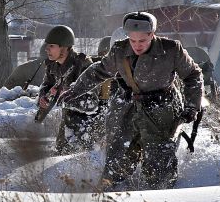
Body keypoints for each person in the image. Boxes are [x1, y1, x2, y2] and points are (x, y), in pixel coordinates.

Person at [60, 11, 204, 190]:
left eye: (142, 41)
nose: (137, 45)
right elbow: (100, 71)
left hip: (161, 110)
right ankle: (111, 199)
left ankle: (161, 199)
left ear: (152, 34)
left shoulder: (171, 49)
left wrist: (192, 106)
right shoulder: (120, 50)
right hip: (127, 108)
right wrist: (75, 90)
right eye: (132, 40)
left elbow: (193, 75)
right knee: (117, 159)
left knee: (159, 163)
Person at [36, 25, 99, 154]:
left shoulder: (83, 65)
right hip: (68, 121)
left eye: (51, 46)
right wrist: (43, 96)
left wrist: (64, 96)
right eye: (47, 45)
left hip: (87, 125)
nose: (46, 49)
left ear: (64, 47)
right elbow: (46, 84)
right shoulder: (52, 65)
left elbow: (92, 103)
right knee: (60, 152)